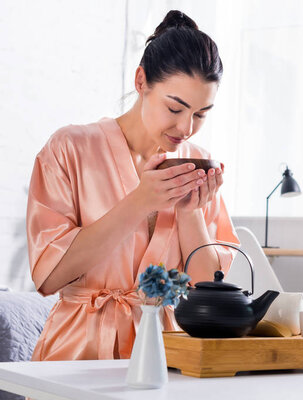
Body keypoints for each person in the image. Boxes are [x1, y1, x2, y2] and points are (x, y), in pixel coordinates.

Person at [26, 10, 239, 361]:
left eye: (201, 114)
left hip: (166, 355)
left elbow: (205, 290)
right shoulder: (70, 149)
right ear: (141, 81)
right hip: (77, 355)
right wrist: (140, 201)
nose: (186, 128)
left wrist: (191, 214)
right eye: (175, 108)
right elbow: (49, 277)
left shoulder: (197, 163)